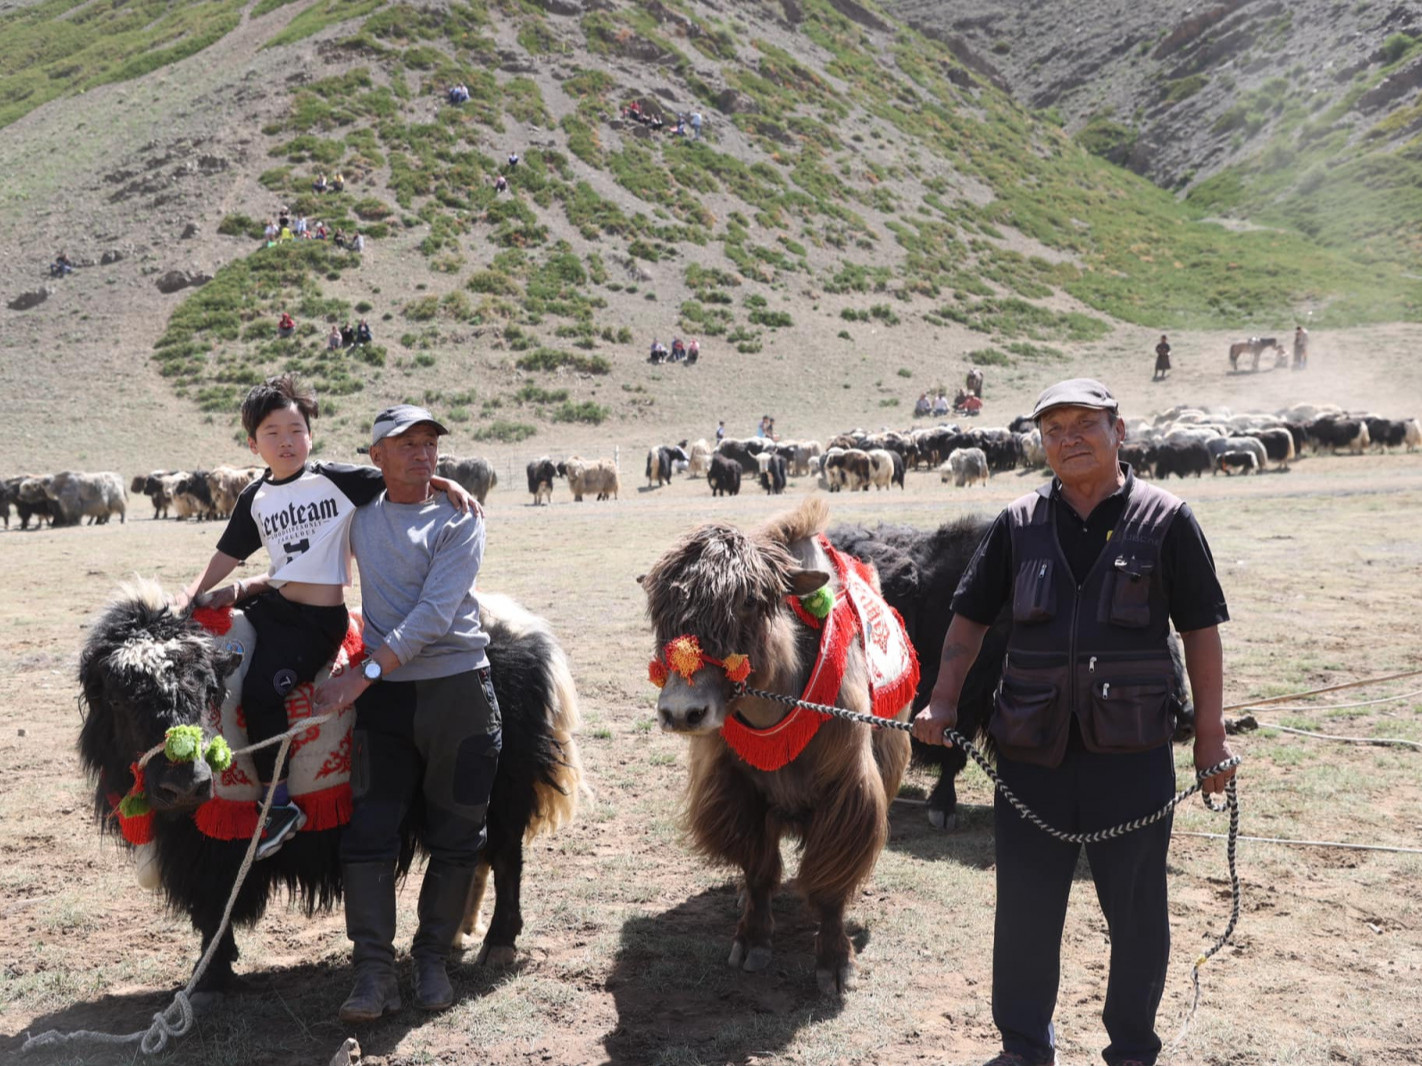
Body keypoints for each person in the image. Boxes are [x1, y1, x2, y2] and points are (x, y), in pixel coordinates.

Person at [912, 378, 1235, 1067]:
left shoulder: (1167, 520)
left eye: (1084, 423)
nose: (1069, 437)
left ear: (1120, 430)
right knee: (1025, 911)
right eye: (1053, 428)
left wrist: (1211, 738)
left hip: (1135, 752)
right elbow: (967, 619)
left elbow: (1202, 632)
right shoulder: (1017, 522)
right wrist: (942, 698)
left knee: (1138, 915)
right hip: (1031, 752)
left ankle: (1133, 1049)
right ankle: (1025, 1047)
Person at [178, 381, 476, 862]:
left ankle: (278, 807)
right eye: (272, 432)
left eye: (296, 429)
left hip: (315, 622)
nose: (287, 441)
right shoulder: (255, 497)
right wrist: (190, 595)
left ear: (311, 437)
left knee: (259, 693)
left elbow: (399, 474)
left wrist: (445, 482)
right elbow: (226, 555)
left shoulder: (334, 479)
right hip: (273, 607)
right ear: (253, 445)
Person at [314, 405, 500, 1023]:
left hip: (457, 691)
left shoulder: (461, 516)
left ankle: (431, 960)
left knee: (456, 833)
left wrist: (361, 675)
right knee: (369, 832)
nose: (423, 454)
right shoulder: (357, 516)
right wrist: (241, 586)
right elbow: (301, 478)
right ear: (376, 458)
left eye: (430, 444)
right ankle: (371, 972)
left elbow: (434, 614)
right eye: (406, 444)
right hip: (389, 701)